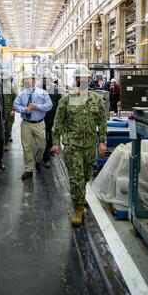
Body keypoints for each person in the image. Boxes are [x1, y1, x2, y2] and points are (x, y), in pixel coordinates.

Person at [51, 65, 107, 227]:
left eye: (85, 79)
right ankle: (79, 208)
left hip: (90, 145)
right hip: (72, 145)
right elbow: (58, 123)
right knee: (76, 177)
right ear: (75, 80)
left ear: (89, 80)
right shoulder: (66, 100)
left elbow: (102, 122)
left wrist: (102, 141)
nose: (82, 81)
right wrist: (56, 142)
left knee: (86, 175)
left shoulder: (96, 99)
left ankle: (79, 197)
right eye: (79, 79)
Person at [14, 70, 53, 181]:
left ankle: (38, 159)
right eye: (26, 80)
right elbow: (15, 105)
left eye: (29, 79)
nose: (28, 81)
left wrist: (37, 106)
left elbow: (49, 105)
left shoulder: (43, 93)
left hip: (39, 123)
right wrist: (25, 109)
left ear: (34, 81)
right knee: (27, 147)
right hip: (26, 124)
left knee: (42, 145)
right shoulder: (22, 94)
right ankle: (29, 169)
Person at [41, 71, 62, 168]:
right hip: (42, 118)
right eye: (45, 79)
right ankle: (45, 158)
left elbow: (60, 103)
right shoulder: (40, 90)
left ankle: (49, 150)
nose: (46, 81)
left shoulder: (56, 90)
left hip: (53, 117)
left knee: (51, 136)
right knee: (44, 137)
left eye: (48, 79)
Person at [1, 69, 18, 151]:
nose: (4, 79)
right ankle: (3, 141)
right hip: (0, 112)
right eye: (3, 78)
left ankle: (6, 143)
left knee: (8, 127)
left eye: (5, 78)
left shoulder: (12, 86)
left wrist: (13, 110)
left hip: (9, 111)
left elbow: (16, 99)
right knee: (1, 128)